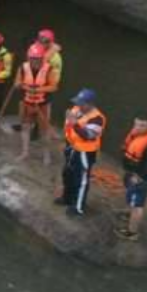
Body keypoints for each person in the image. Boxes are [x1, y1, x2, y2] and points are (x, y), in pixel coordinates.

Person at [56, 88, 105, 217]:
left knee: (81, 179)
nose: (78, 105)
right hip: (71, 147)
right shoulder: (77, 109)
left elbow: (88, 135)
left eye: (82, 103)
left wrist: (74, 124)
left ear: (90, 104)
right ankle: (67, 198)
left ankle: (78, 207)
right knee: (67, 174)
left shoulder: (97, 119)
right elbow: (69, 126)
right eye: (78, 102)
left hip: (84, 152)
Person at [117, 113, 147, 241]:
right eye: (136, 124)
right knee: (131, 196)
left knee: (137, 205)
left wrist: (139, 176)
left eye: (142, 125)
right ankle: (128, 213)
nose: (137, 128)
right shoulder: (139, 134)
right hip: (133, 172)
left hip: (141, 178)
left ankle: (132, 233)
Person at [16, 43, 60, 165]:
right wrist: (22, 86)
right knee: (25, 127)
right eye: (32, 58)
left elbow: (54, 87)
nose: (35, 61)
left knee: (44, 131)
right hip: (27, 103)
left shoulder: (49, 69)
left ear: (41, 58)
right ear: (29, 57)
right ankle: (25, 152)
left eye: (37, 59)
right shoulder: (23, 67)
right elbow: (17, 83)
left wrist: (38, 89)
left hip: (42, 104)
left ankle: (46, 155)